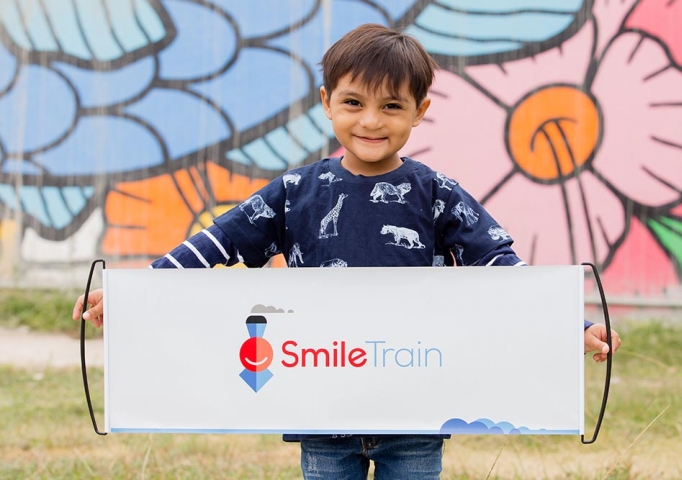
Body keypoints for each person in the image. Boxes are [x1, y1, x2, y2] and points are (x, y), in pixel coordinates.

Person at [73, 23, 621, 480]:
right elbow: (218, 242)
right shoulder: (294, 192)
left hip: (417, 411)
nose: (371, 121)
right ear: (326, 103)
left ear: (419, 110)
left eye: (391, 105)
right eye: (353, 102)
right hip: (323, 407)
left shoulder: (437, 194)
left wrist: (573, 327)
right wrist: (134, 294)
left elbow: (502, 268)